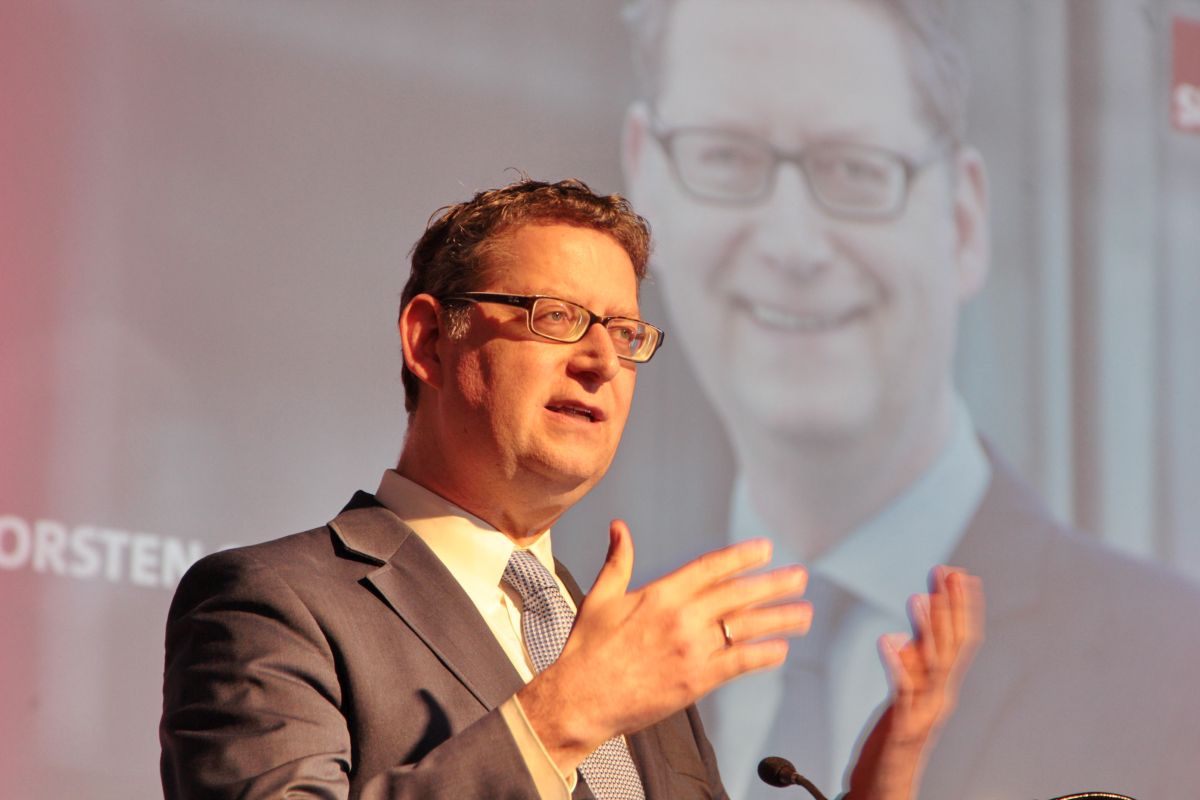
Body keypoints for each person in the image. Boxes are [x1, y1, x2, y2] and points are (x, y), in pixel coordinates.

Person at [159, 178, 982, 800]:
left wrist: (881, 784)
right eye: (555, 316)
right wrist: (563, 718)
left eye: (624, 333)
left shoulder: (622, 654)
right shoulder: (272, 602)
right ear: (429, 341)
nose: (600, 361)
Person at [620, 1, 1200, 798]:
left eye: (855, 170)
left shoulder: (1173, 657)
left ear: (963, 218)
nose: (792, 244)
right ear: (645, 180)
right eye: (725, 157)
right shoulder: (604, 641)